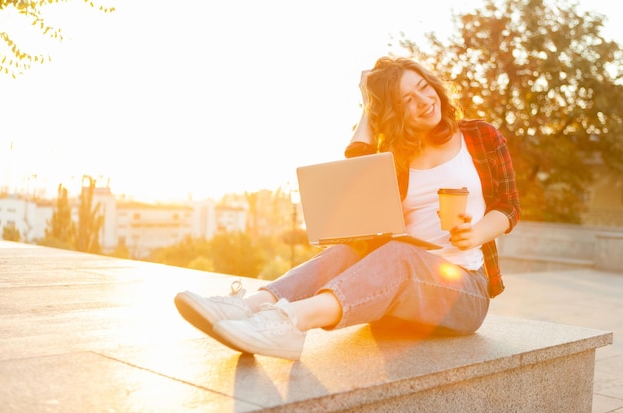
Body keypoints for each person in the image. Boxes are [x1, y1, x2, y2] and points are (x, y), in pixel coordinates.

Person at [174, 56, 520, 360]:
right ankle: (246, 308)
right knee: (350, 250)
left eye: (424, 87)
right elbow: (359, 167)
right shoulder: (398, 156)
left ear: (434, 85)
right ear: (396, 113)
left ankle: (291, 323)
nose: (424, 101)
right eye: (407, 100)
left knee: (399, 254)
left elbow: (508, 206)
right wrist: (369, 103)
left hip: (463, 294)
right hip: (400, 299)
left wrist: (475, 234)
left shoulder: (480, 136)